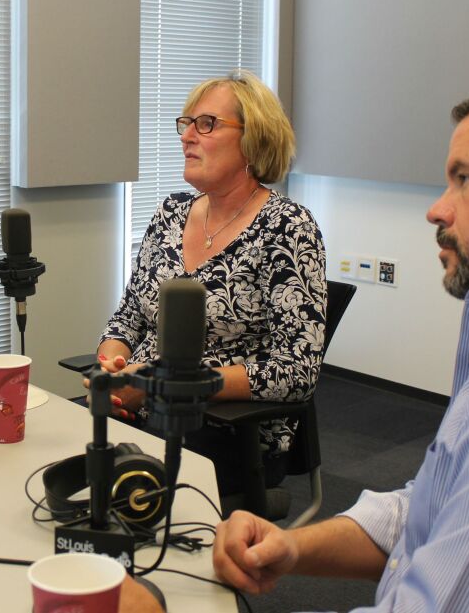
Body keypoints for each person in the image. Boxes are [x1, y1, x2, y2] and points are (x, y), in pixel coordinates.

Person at [121, 80, 469, 612]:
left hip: (224, 426)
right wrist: (291, 546)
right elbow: (432, 506)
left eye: (464, 180)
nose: (436, 210)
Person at [92, 70, 327, 494]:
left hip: (226, 427)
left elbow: (297, 372)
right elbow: (128, 317)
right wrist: (114, 368)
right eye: (187, 124)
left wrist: (159, 383)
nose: (187, 137)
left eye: (207, 124)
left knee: (118, 494)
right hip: (143, 406)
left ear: (253, 140)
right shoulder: (170, 213)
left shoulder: (288, 228)